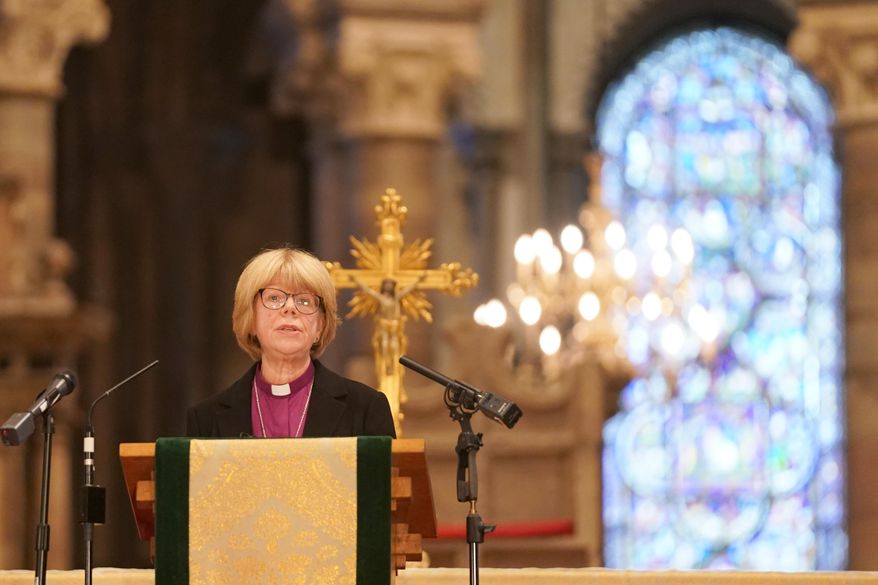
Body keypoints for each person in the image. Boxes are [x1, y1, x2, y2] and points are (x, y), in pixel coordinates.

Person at [186, 247, 396, 438]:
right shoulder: (206, 419)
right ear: (250, 319)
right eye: (274, 298)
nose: (290, 308)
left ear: (320, 326)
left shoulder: (366, 409)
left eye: (304, 300)